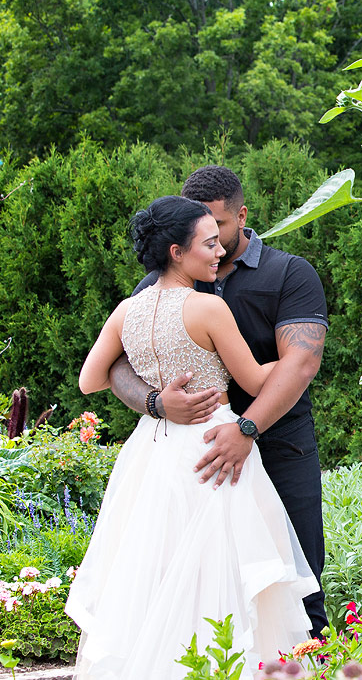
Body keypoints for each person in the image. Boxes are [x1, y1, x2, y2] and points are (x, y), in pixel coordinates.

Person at [70, 195, 317, 679]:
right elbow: (252, 380)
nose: (219, 252)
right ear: (177, 252)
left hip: (153, 450)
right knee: (222, 570)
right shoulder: (207, 308)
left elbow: (90, 380)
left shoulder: (127, 310)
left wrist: (158, 398)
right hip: (214, 449)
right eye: (208, 244)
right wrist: (294, 363)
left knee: (156, 570)